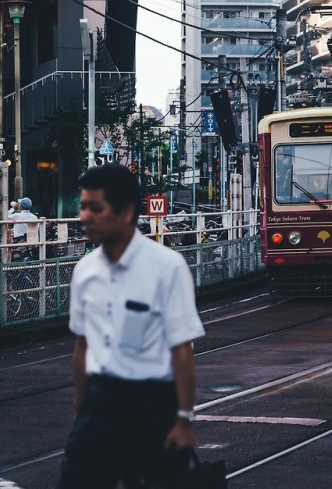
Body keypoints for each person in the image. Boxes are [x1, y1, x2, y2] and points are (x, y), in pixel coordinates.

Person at [56, 162, 205, 489]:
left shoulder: (167, 267)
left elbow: (182, 350)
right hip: (99, 403)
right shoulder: (84, 271)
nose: (84, 216)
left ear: (125, 213)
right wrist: (81, 408)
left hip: (152, 407)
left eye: (95, 208)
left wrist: (184, 419)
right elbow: (82, 346)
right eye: (82, 207)